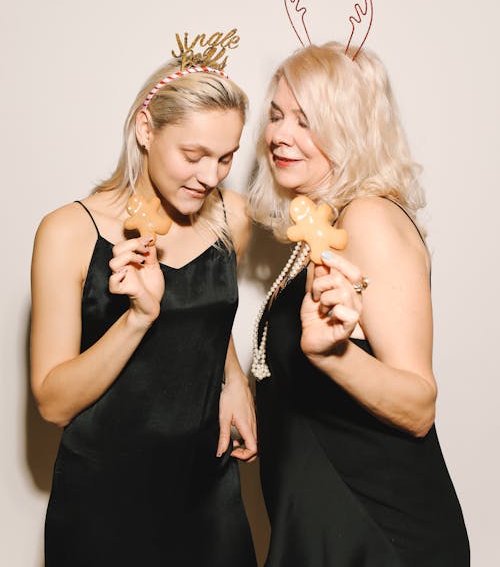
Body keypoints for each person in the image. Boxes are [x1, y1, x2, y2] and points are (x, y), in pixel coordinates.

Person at [31, 46, 258, 567]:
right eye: (194, 154)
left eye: (226, 157)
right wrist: (137, 318)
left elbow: (206, 313)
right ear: (145, 129)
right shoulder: (68, 233)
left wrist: (235, 380)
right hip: (103, 502)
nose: (210, 176)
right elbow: (52, 402)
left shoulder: (231, 219)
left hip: (208, 491)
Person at [249, 42, 469, 566]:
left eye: (307, 121)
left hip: (375, 530)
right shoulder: (318, 232)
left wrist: (333, 356)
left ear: (350, 129)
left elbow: (418, 405)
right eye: (277, 116)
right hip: (321, 521)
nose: (280, 135)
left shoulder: (367, 218)